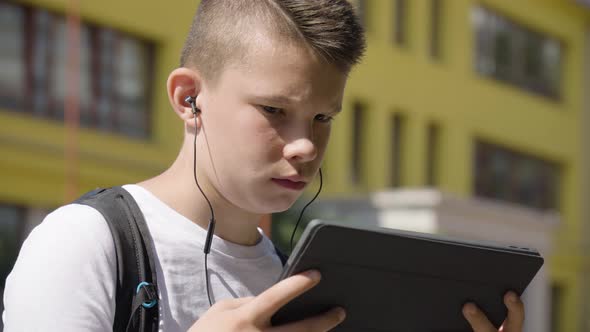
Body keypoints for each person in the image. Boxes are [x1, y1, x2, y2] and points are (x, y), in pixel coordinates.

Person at [2, 1, 525, 331]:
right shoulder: (84, 242)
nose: (305, 146)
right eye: (274, 110)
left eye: (323, 116)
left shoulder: (304, 282)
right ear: (189, 99)